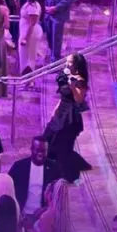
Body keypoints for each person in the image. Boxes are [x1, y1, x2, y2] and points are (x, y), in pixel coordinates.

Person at [44, 53, 92, 182]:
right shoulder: (66, 76)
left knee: (63, 144)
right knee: (48, 136)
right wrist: (55, 110)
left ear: (76, 64)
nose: (67, 64)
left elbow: (79, 100)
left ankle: (66, 172)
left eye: (69, 62)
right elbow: (63, 97)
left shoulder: (80, 80)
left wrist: (73, 86)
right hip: (61, 111)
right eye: (67, 61)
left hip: (70, 116)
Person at [9, 136, 62, 232]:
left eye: (43, 151)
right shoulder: (19, 166)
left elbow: (59, 194)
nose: (40, 154)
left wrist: (46, 209)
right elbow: (9, 189)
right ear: (31, 149)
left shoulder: (54, 168)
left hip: (42, 217)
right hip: (22, 215)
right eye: (37, 150)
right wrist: (17, 210)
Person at [18, 0, 45, 75]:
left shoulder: (33, 6)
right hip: (25, 32)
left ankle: (29, 80)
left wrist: (25, 37)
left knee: (28, 58)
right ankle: (27, 80)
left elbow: (32, 24)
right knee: (24, 56)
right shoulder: (29, 3)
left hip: (30, 34)